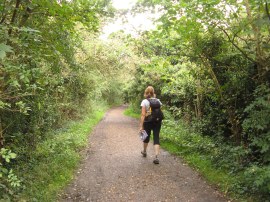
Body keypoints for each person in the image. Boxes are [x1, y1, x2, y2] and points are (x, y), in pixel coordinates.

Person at [139, 86, 162, 164]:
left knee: (146, 137)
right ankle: (156, 157)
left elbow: (142, 114)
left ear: (146, 93)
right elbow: (159, 111)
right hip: (157, 121)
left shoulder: (144, 101)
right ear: (153, 92)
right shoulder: (158, 100)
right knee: (156, 137)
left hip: (147, 121)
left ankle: (144, 151)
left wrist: (141, 126)